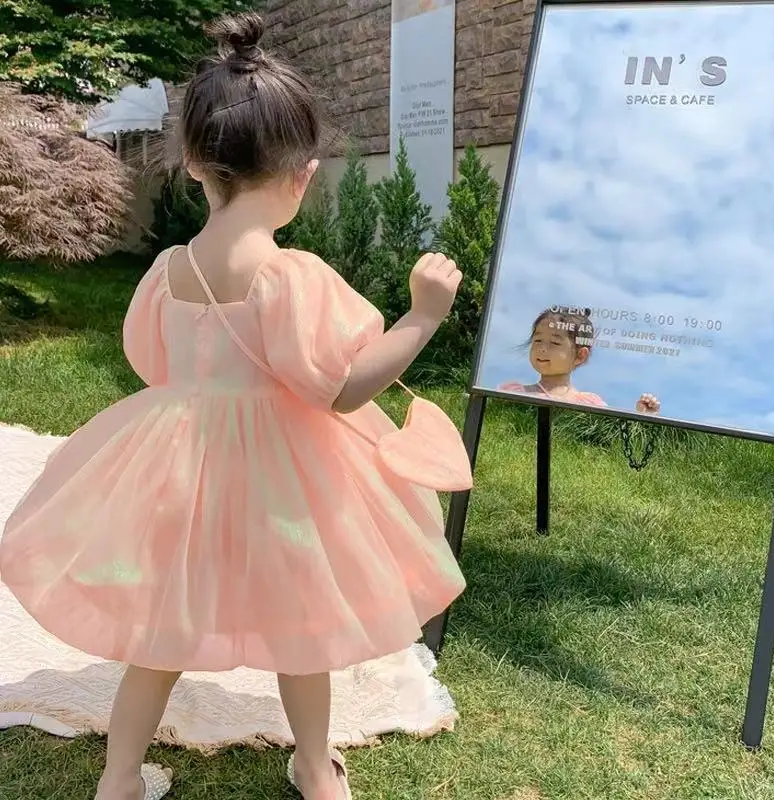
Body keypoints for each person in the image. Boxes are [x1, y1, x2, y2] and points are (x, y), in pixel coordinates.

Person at [0, 12, 469, 800]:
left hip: (181, 469)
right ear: (303, 174)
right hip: (284, 476)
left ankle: (120, 777)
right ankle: (315, 768)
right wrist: (422, 317)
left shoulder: (167, 270)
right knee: (303, 622)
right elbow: (342, 387)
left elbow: (151, 362)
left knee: (161, 627)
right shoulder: (287, 275)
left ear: (193, 164)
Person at [499, 306, 661, 413]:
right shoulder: (515, 393)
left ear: (580, 356)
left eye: (555, 343)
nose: (542, 348)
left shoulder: (590, 403)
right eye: (537, 340)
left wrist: (643, 415)